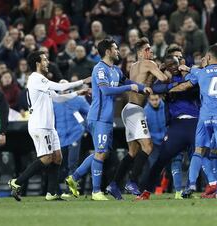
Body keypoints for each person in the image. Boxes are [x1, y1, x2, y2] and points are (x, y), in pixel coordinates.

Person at [65, 39, 149, 201]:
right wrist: (129, 88)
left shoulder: (116, 70)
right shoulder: (99, 69)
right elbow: (105, 90)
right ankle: (96, 191)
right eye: (115, 49)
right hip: (98, 117)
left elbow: (128, 81)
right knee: (101, 152)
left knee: (102, 152)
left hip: (106, 119)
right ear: (108, 51)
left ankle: (74, 178)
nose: (118, 51)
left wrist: (140, 87)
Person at [8, 50, 91, 201]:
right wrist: (82, 81)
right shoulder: (35, 78)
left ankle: (51, 193)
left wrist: (78, 93)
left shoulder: (42, 82)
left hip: (49, 126)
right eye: (45, 60)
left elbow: (58, 98)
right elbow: (58, 87)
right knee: (46, 158)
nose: (48, 62)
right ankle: (16, 182)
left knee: (57, 157)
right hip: (39, 125)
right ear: (37, 64)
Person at [105, 37, 168, 197]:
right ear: (140, 53)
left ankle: (113, 184)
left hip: (128, 109)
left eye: (151, 49)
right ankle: (132, 182)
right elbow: (164, 79)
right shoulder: (149, 64)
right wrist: (166, 68)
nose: (151, 51)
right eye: (147, 49)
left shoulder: (133, 66)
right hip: (136, 110)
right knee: (148, 147)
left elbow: (146, 82)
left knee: (133, 152)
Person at [134, 54, 200, 200]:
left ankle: (216, 189)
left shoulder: (190, 76)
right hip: (177, 125)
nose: (174, 68)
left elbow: (195, 84)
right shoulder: (164, 82)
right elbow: (154, 88)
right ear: (165, 67)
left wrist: (175, 86)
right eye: (169, 66)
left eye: (175, 64)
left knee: (203, 158)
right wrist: (173, 86)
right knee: (161, 159)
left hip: (195, 122)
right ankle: (146, 192)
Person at [181, 44, 217, 198]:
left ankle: (191, 183)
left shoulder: (201, 72)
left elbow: (190, 70)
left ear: (209, 57)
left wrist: (186, 67)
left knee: (199, 150)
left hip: (205, 116)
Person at [53, 79, 90, 197]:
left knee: (72, 163)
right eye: (62, 90)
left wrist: (84, 127)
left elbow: (89, 113)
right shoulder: (54, 102)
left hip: (75, 135)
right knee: (58, 164)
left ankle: (72, 190)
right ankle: (56, 190)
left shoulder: (78, 100)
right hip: (59, 137)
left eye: (66, 90)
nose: (64, 92)